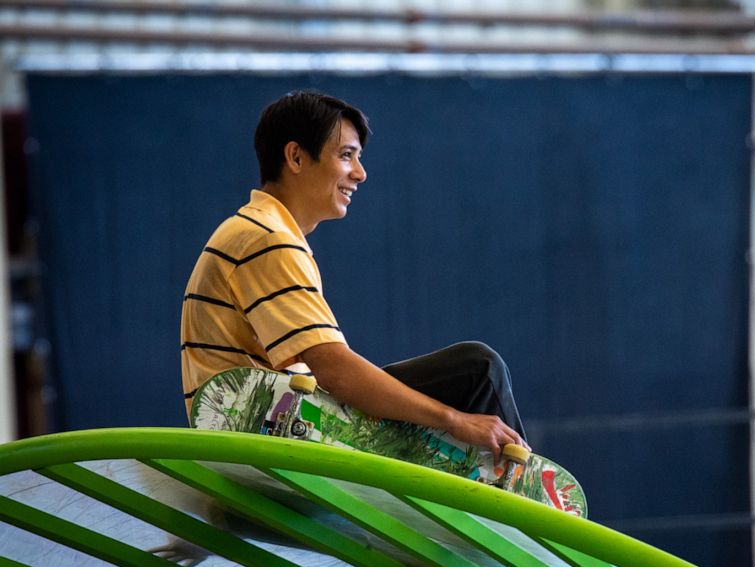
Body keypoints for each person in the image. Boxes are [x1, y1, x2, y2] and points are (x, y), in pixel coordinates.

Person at [180, 89, 529, 462]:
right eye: (346, 156)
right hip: (272, 431)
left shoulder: (254, 230)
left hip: (261, 421)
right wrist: (454, 419)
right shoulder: (267, 238)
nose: (360, 174)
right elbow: (331, 368)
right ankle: (527, 498)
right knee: (477, 370)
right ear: (296, 157)